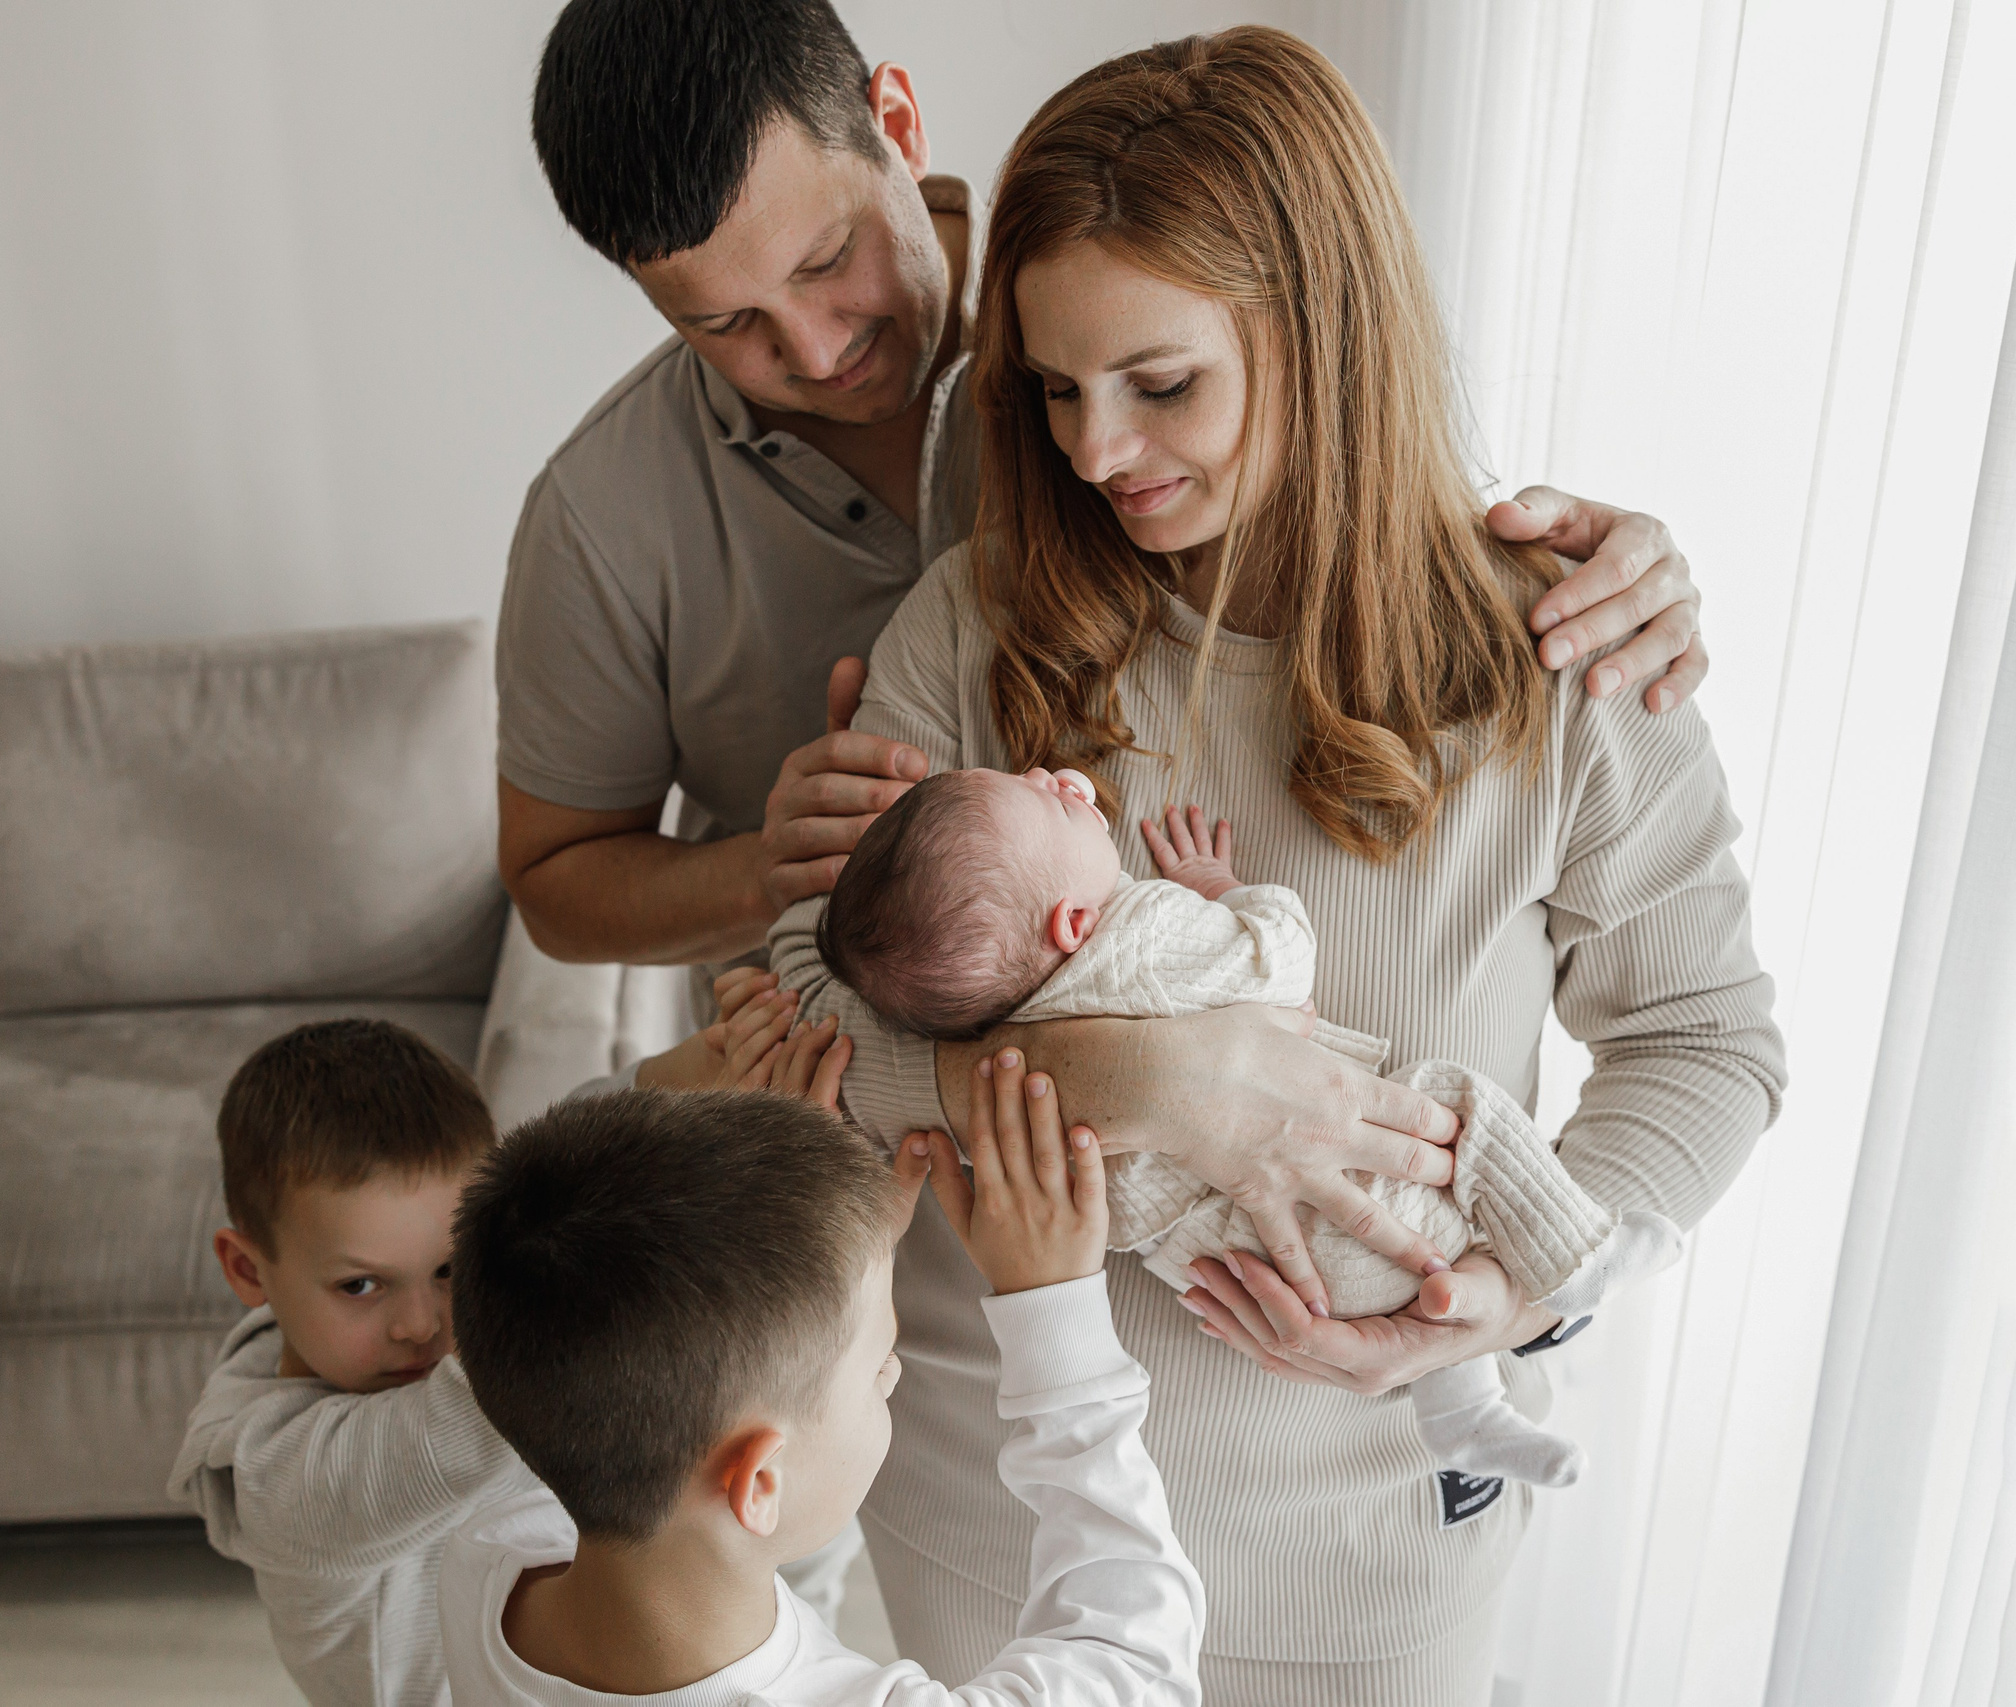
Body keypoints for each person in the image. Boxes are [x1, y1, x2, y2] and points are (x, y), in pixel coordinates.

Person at [768, 28, 1784, 1702]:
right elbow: (809, 1032)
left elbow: (1707, 1041)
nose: (1096, 452)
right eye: (1052, 389)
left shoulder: (1564, 645)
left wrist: (1507, 1289)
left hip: (1365, 1545)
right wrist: (1172, 1078)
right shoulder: (976, 626)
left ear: (1324, 335)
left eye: (1160, 383)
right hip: (996, 1526)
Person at [502, 0, 1711, 1335]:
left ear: (896, 125)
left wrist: (1524, 1296)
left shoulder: (1084, 287)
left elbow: (1361, 499)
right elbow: (620, 910)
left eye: (831, 260)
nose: (812, 347)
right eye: (724, 321)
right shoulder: (620, 521)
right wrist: (1147, 1070)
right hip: (918, 1296)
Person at [813, 764, 1684, 1488]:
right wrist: (1221, 889)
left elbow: (844, 1045)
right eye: (1049, 800)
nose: (1054, 777)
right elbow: (1280, 957)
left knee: (1437, 1293)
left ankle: (1464, 1416)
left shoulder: (1003, 1034)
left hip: (1265, 1282)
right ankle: (1577, 1261)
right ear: (1074, 923)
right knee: (1457, 1100)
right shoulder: (1142, 930)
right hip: (1365, 1207)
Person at [440, 1059, 1205, 1705]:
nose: (894, 1369)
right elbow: (1133, 1659)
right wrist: (1056, 1316)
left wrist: (822, 1264)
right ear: (759, 1482)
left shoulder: (485, 1566)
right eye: (878, 1366)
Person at [169, 1020, 531, 1707]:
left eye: (452, 1267)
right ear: (249, 1269)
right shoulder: (274, 1476)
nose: (421, 1323)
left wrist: (681, 1079)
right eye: (361, 1285)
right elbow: (450, 1432)